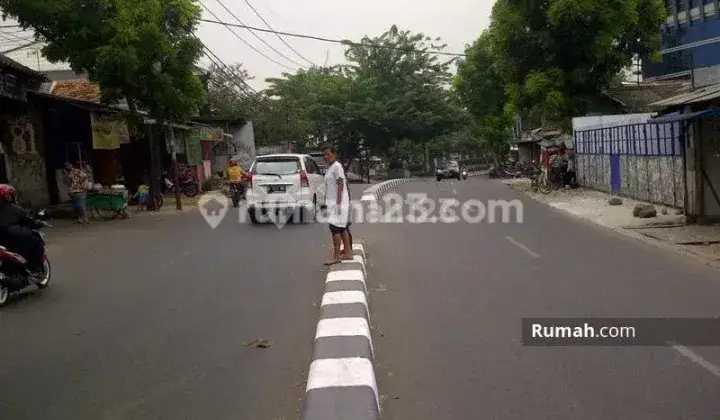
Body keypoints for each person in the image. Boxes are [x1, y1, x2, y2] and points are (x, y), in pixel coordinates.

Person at [0, 184, 45, 275]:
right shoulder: (16, 210)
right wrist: (41, 223)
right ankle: (35, 267)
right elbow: (31, 222)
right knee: (36, 240)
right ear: (8, 197)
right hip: (11, 236)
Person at [322, 146, 352, 265]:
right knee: (342, 227)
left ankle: (337, 256)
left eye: (328, 154)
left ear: (334, 154)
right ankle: (348, 253)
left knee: (335, 229)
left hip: (337, 203)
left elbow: (340, 185)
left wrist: (338, 203)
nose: (326, 156)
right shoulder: (331, 167)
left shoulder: (337, 166)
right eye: (324, 155)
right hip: (334, 202)